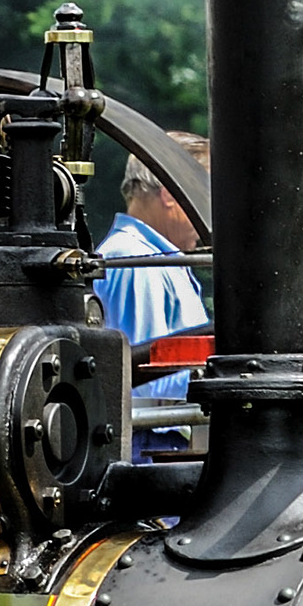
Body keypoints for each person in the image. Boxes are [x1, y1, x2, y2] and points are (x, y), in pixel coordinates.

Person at [96, 144, 210, 457]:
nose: (211, 211)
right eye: (203, 194)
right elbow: (143, 378)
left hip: (160, 436)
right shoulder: (136, 261)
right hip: (147, 442)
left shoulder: (156, 260)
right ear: (171, 194)